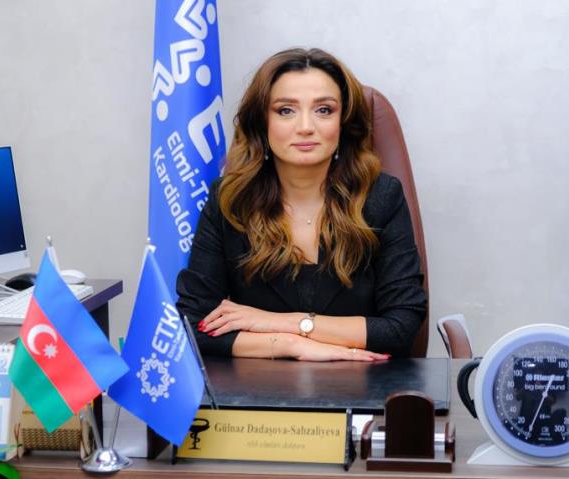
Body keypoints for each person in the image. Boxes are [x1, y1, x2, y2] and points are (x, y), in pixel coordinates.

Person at [176, 47, 426, 361]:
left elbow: (402, 327)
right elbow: (194, 324)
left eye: (324, 110)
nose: (306, 126)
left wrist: (287, 322)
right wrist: (291, 345)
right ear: (262, 123)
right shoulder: (230, 200)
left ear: (344, 123)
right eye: (285, 110)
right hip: (261, 383)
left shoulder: (381, 197)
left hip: (365, 381)